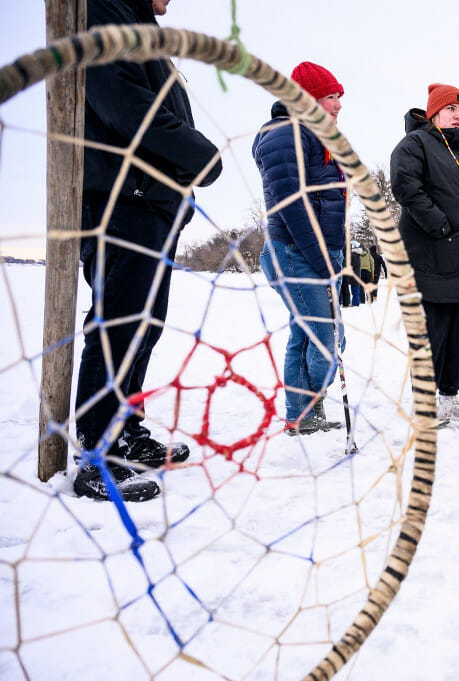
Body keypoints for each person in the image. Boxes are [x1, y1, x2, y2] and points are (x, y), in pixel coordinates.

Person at [74, 0, 223, 502]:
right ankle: (97, 449)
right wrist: (200, 154)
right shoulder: (103, 12)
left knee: (145, 321)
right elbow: (122, 105)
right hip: (122, 196)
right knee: (118, 319)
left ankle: (125, 429)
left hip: (154, 199)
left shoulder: (142, 23)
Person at [390, 84, 459, 426]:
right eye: (452, 109)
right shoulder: (416, 145)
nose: (458, 115)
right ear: (434, 111)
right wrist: (438, 224)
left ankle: (448, 399)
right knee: (432, 334)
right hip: (432, 257)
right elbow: (406, 186)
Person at [254, 61, 347, 437]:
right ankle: (306, 413)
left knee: (307, 333)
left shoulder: (315, 134)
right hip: (297, 252)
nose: (338, 105)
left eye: (338, 97)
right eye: (330, 97)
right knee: (325, 336)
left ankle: (304, 413)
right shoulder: (284, 134)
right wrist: (321, 257)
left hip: (318, 252)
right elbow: (291, 204)